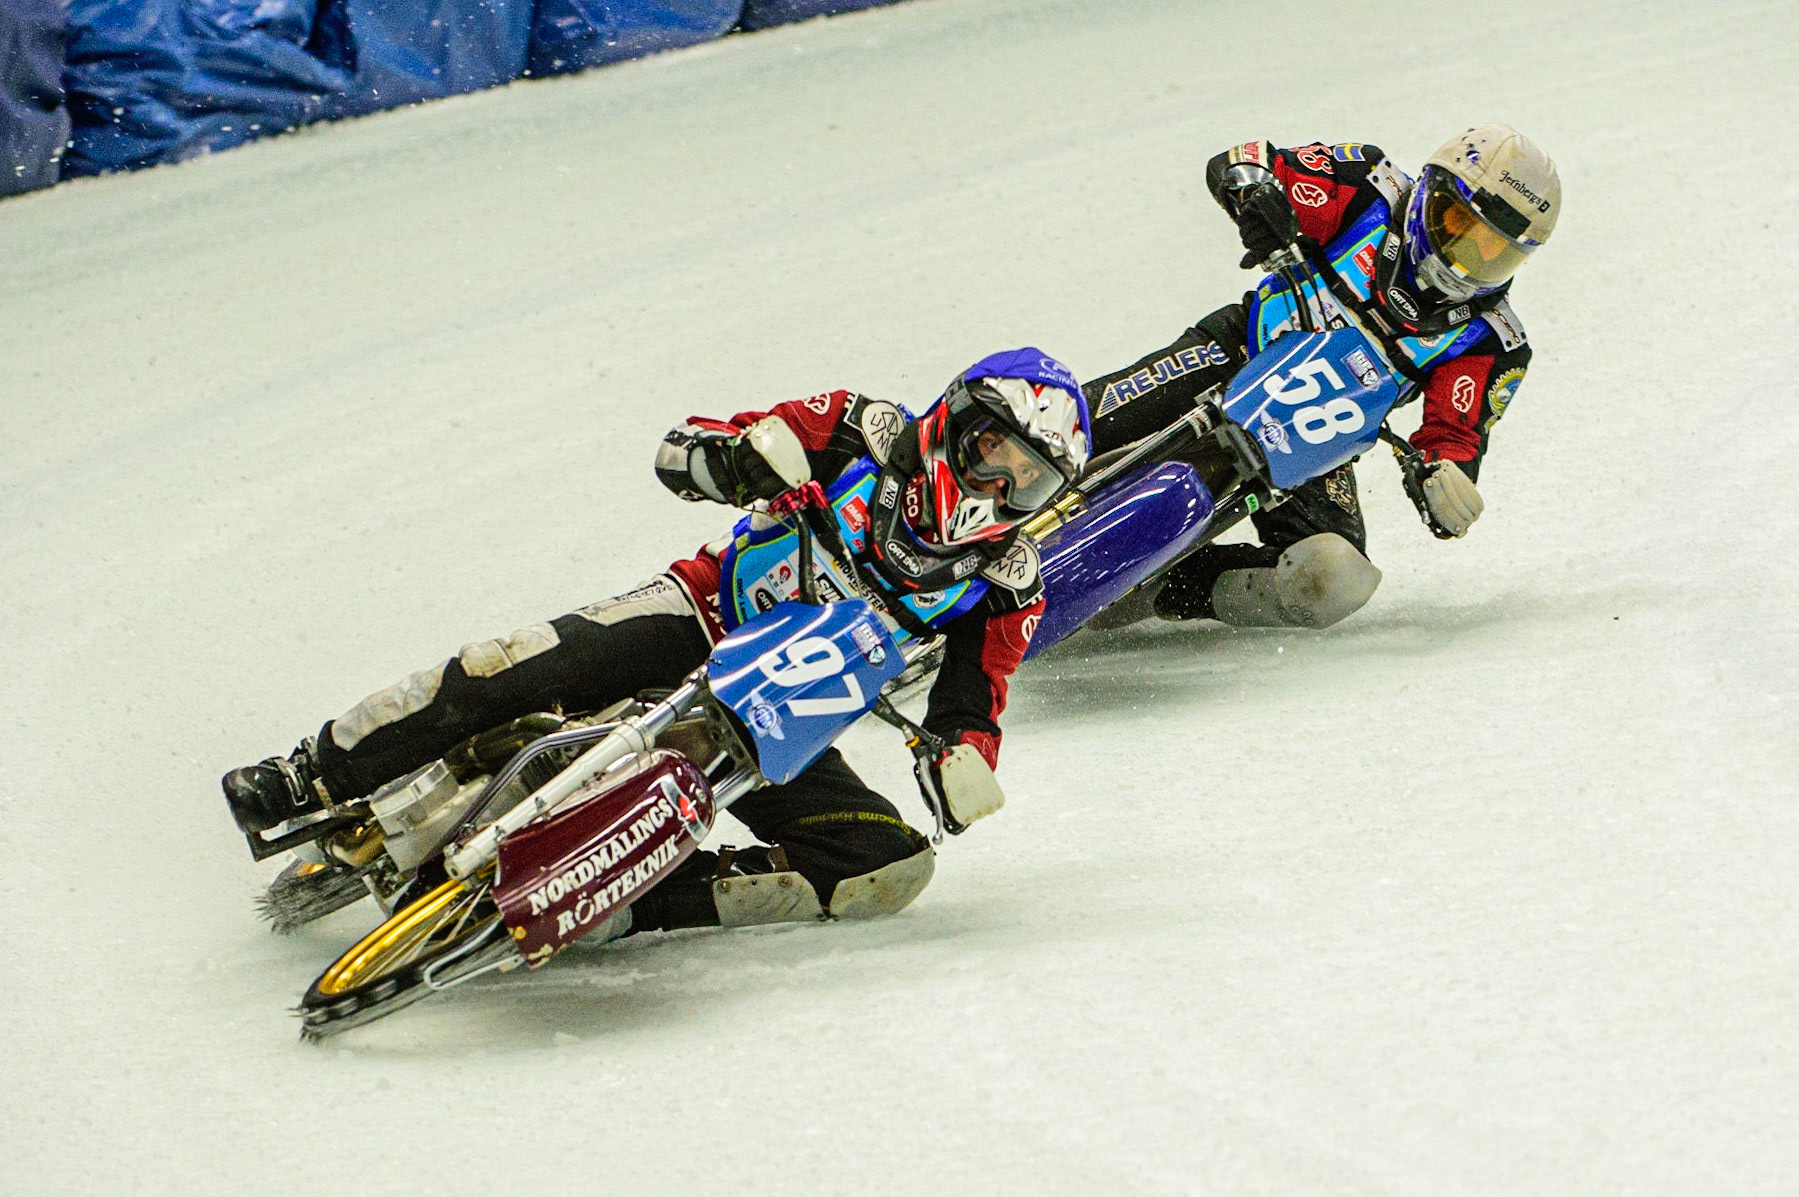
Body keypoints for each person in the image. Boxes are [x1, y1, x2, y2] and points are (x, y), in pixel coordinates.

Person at [221, 349, 1090, 933]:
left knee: (881, 865)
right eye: (993, 452)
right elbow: (685, 448)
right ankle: (310, 773)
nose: (996, 488)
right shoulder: (864, 428)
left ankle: (623, 903)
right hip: (696, 616)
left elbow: (975, 701)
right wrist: (739, 459)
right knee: (513, 665)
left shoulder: (1006, 580)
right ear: (956, 419)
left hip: (778, 723)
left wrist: (959, 763)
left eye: (1026, 481)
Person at [1084, 125, 1559, 630]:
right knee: (1077, 420)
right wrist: (1258, 197)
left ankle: (1168, 587)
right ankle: (1024, 464)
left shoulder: (1493, 341)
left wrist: (1445, 486)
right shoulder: (1369, 186)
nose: (1465, 256)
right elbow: (1245, 160)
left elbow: (1455, 438)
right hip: (1237, 349)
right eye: (1457, 223)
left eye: (1494, 250)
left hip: (1315, 441)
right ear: (1430, 189)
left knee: (1334, 578)